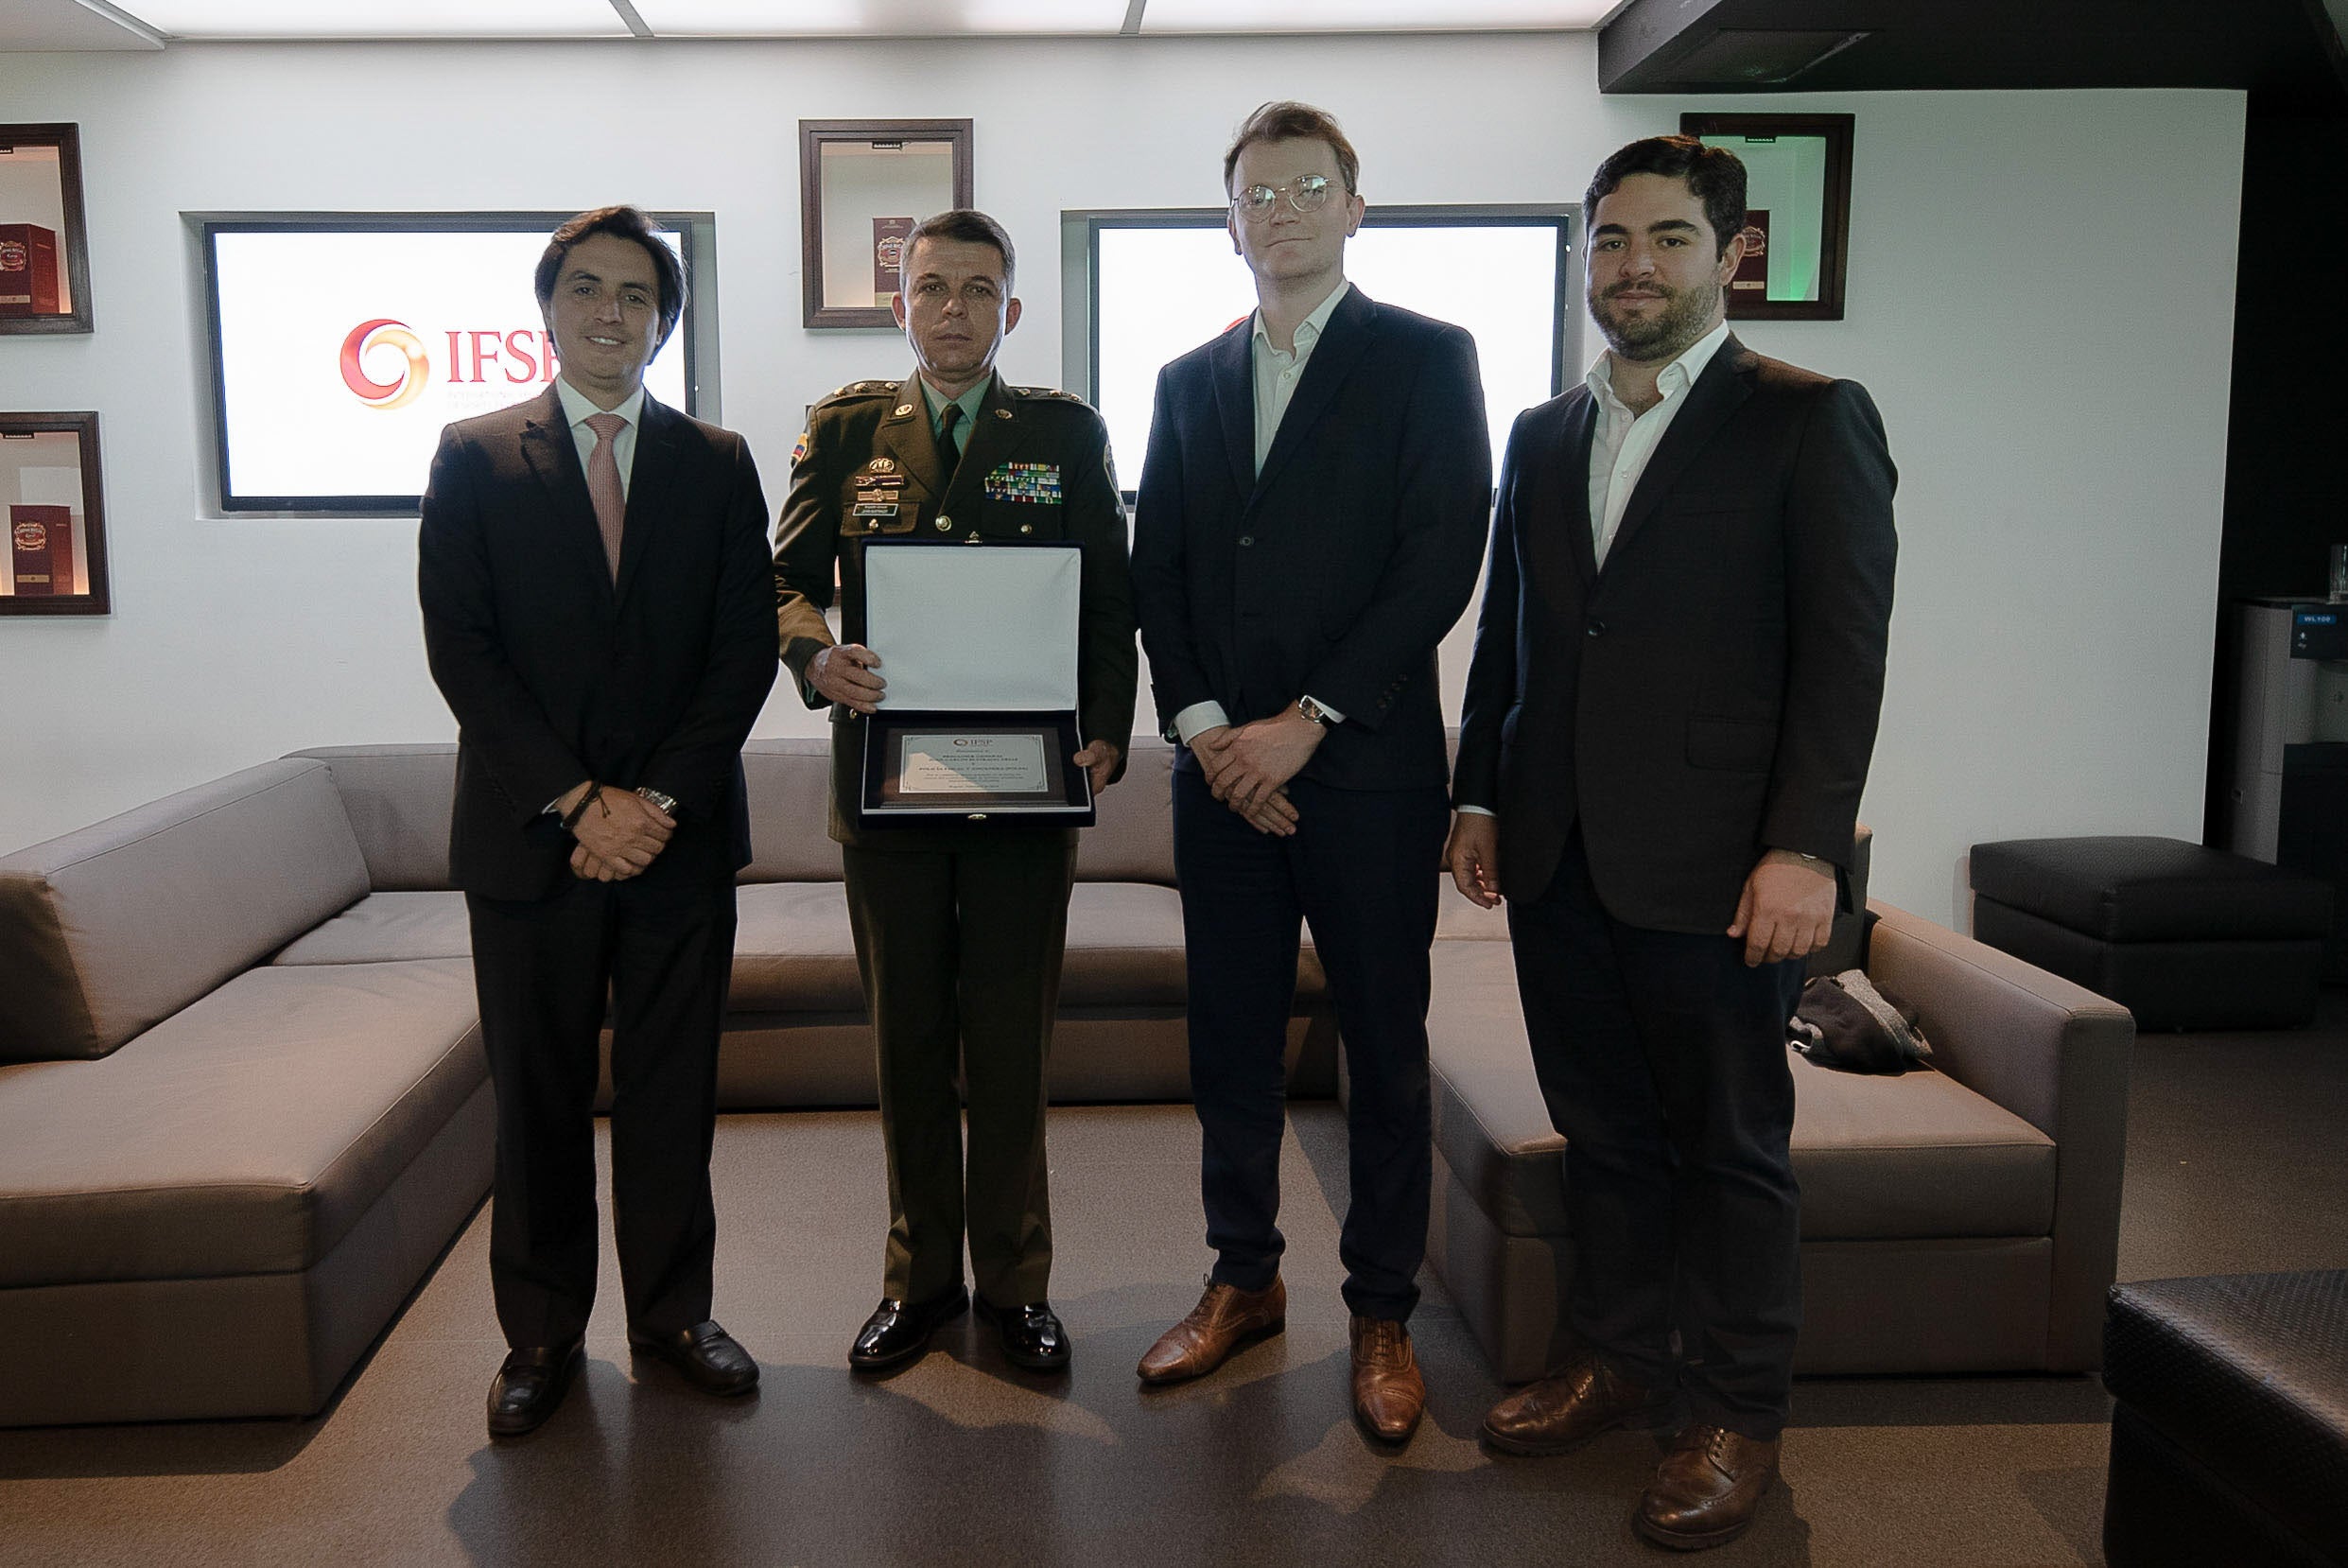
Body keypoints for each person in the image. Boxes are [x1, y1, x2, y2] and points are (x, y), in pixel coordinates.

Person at [1446, 134, 1896, 1549]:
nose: (1631, 265)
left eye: (1666, 238)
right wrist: (1477, 795)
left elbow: (1841, 653)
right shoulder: (1543, 432)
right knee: (1602, 1132)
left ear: (1730, 254)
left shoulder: (1805, 418)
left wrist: (1805, 848)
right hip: (1557, 852)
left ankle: (1736, 1411)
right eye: (1609, 240)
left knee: (1728, 1146)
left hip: (1720, 865)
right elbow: (1513, 636)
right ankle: (1618, 1357)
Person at [1127, 101, 1491, 1442]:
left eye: (1305, 187)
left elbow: (1438, 553)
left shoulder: (1426, 356)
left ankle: (1381, 1310)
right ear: (1228, 222)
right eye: (1256, 194)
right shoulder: (1185, 380)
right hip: (1221, 774)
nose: (1278, 211)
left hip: (1367, 769)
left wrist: (1310, 718)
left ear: (1353, 206)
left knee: (1382, 1047)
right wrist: (1210, 732)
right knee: (1227, 1039)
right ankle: (1243, 1277)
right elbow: (1158, 568)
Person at [419, 205, 778, 1437]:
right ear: (548, 307)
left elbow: (740, 651)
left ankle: (674, 1315)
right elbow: (463, 652)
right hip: (530, 840)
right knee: (537, 1098)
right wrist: (579, 802)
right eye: (586, 288)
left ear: (663, 320)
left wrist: (655, 802)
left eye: (635, 294)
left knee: (674, 1093)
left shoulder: (716, 462)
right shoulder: (473, 454)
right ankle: (539, 1333)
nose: (609, 312)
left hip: (678, 842)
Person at [774, 209, 1137, 1376]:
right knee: (909, 1041)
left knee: (1013, 1044)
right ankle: (918, 1279)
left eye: (978, 290)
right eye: (931, 287)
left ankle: (1016, 1283)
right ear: (899, 304)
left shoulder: (1063, 431)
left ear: (1009, 311)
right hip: (888, 787)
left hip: (1024, 788)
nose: (952, 310)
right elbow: (781, 579)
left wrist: (1106, 727)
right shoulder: (845, 429)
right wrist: (815, 657)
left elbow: (1107, 592)